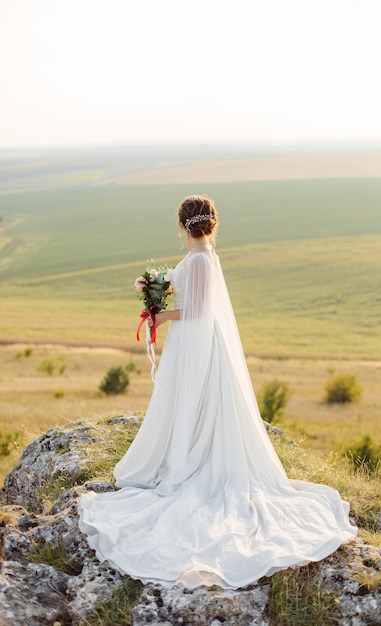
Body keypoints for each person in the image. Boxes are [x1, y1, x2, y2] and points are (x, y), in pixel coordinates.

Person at [78, 195, 357, 589]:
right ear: (212, 224)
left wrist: (161, 313)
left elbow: (198, 309)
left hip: (198, 342)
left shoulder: (199, 259)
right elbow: (191, 292)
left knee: (196, 401)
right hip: (195, 341)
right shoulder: (204, 256)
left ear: (181, 226)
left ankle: (191, 458)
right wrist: (154, 285)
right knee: (191, 402)